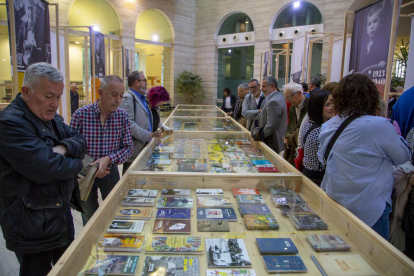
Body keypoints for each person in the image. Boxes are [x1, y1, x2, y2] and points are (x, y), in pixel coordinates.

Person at [0, 62, 86, 275]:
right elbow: (47, 167)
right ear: (26, 92)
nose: (55, 104)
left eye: (58, 96)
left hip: (58, 216)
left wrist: (63, 147)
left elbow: (79, 140)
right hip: (31, 224)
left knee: (67, 268)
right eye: (49, 96)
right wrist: (77, 165)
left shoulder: (51, 119)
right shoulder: (10, 123)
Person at [318, 73, 411, 240]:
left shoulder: (329, 125)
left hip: (336, 201)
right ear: (371, 97)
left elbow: (322, 158)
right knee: (374, 260)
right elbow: (403, 156)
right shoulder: (378, 125)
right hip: (370, 207)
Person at [70, 75, 134, 225]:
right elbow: (71, 148)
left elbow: (128, 147)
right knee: (90, 215)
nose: (118, 100)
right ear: (100, 92)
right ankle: (90, 245)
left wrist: (108, 159)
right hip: (85, 174)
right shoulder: (81, 115)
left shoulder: (122, 116)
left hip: (110, 172)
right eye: (114, 95)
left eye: (121, 95)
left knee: (115, 210)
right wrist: (92, 166)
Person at [120, 71, 160, 174]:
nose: (146, 83)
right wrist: (149, 135)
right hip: (135, 150)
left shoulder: (142, 98)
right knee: (131, 183)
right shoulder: (128, 98)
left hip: (145, 147)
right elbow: (129, 124)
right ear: (137, 82)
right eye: (144, 80)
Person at [299, 90, 334, 185]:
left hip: (308, 173)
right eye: (327, 104)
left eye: (333, 103)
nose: (332, 107)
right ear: (318, 107)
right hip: (317, 178)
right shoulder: (321, 130)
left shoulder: (309, 123)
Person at [258, 76, 288, 153]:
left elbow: (271, 125)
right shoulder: (278, 96)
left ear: (272, 86)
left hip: (273, 140)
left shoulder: (273, 101)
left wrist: (260, 135)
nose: (262, 89)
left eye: (264, 86)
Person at [283, 82, 309, 165]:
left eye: (289, 97)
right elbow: (290, 126)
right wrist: (287, 137)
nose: (287, 101)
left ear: (299, 93)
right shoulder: (293, 107)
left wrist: (290, 137)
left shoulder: (310, 105)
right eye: (286, 98)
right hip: (292, 148)